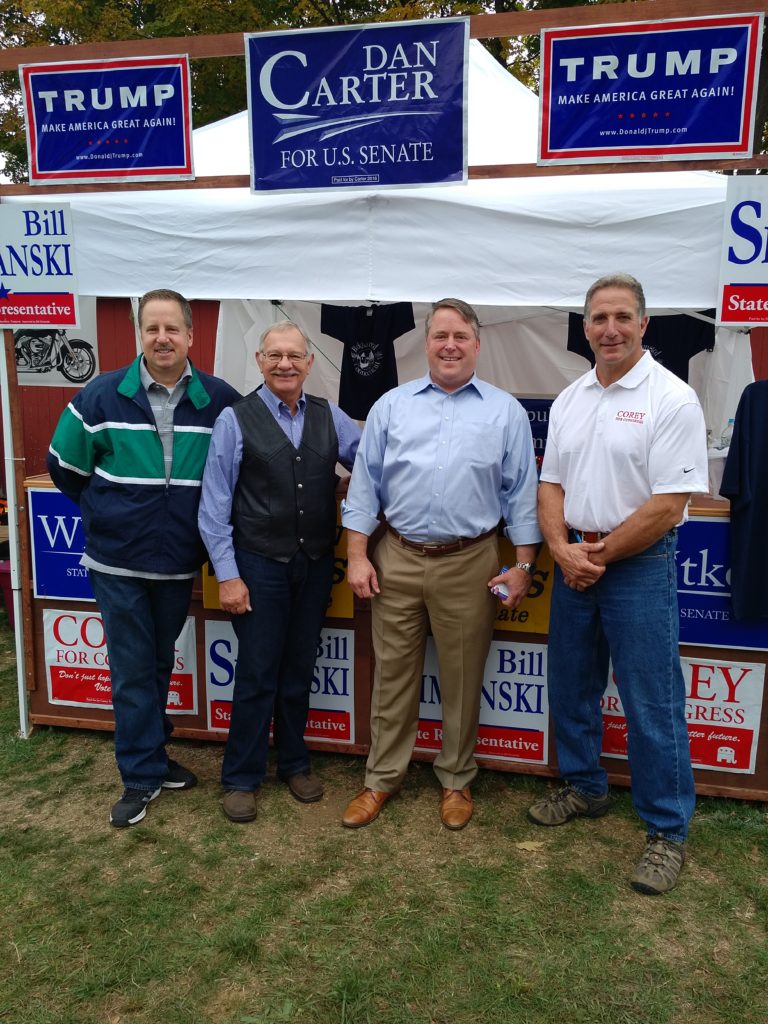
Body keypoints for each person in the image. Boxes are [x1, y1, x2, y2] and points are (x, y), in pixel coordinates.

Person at [528, 272, 708, 895]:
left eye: (622, 317)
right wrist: (560, 548)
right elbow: (550, 484)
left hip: (636, 565)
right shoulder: (572, 395)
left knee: (651, 701)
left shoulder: (673, 397)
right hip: (575, 557)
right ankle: (585, 786)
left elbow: (668, 503)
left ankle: (667, 831)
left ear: (644, 325)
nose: (610, 329)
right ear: (585, 328)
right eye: (599, 318)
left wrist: (596, 555)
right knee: (572, 683)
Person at [340, 298, 541, 830]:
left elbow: (522, 494)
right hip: (397, 559)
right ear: (425, 344)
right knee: (392, 680)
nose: (449, 345)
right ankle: (381, 779)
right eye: (440, 336)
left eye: (460, 336)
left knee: (461, 677)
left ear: (477, 345)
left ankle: (456, 780)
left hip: (470, 562)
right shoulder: (391, 406)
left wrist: (522, 566)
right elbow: (364, 487)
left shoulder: (505, 412)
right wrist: (357, 554)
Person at [47, 288, 240, 827]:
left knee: (157, 664)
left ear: (190, 335)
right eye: (152, 328)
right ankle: (139, 776)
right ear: (140, 334)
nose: (162, 338)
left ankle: (153, 755)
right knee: (133, 671)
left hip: (178, 561)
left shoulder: (219, 399)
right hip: (118, 563)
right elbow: (65, 466)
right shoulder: (100, 396)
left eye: (172, 329)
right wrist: (111, 511)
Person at [198, 320, 360, 824]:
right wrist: (228, 574)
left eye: (294, 355)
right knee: (256, 673)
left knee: (297, 670)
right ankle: (241, 777)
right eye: (274, 356)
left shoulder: (331, 416)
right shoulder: (235, 419)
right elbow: (213, 505)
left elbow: (375, 465)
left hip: (313, 566)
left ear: (310, 364)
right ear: (260, 362)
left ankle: (294, 763)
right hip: (258, 566)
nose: (285, 364)